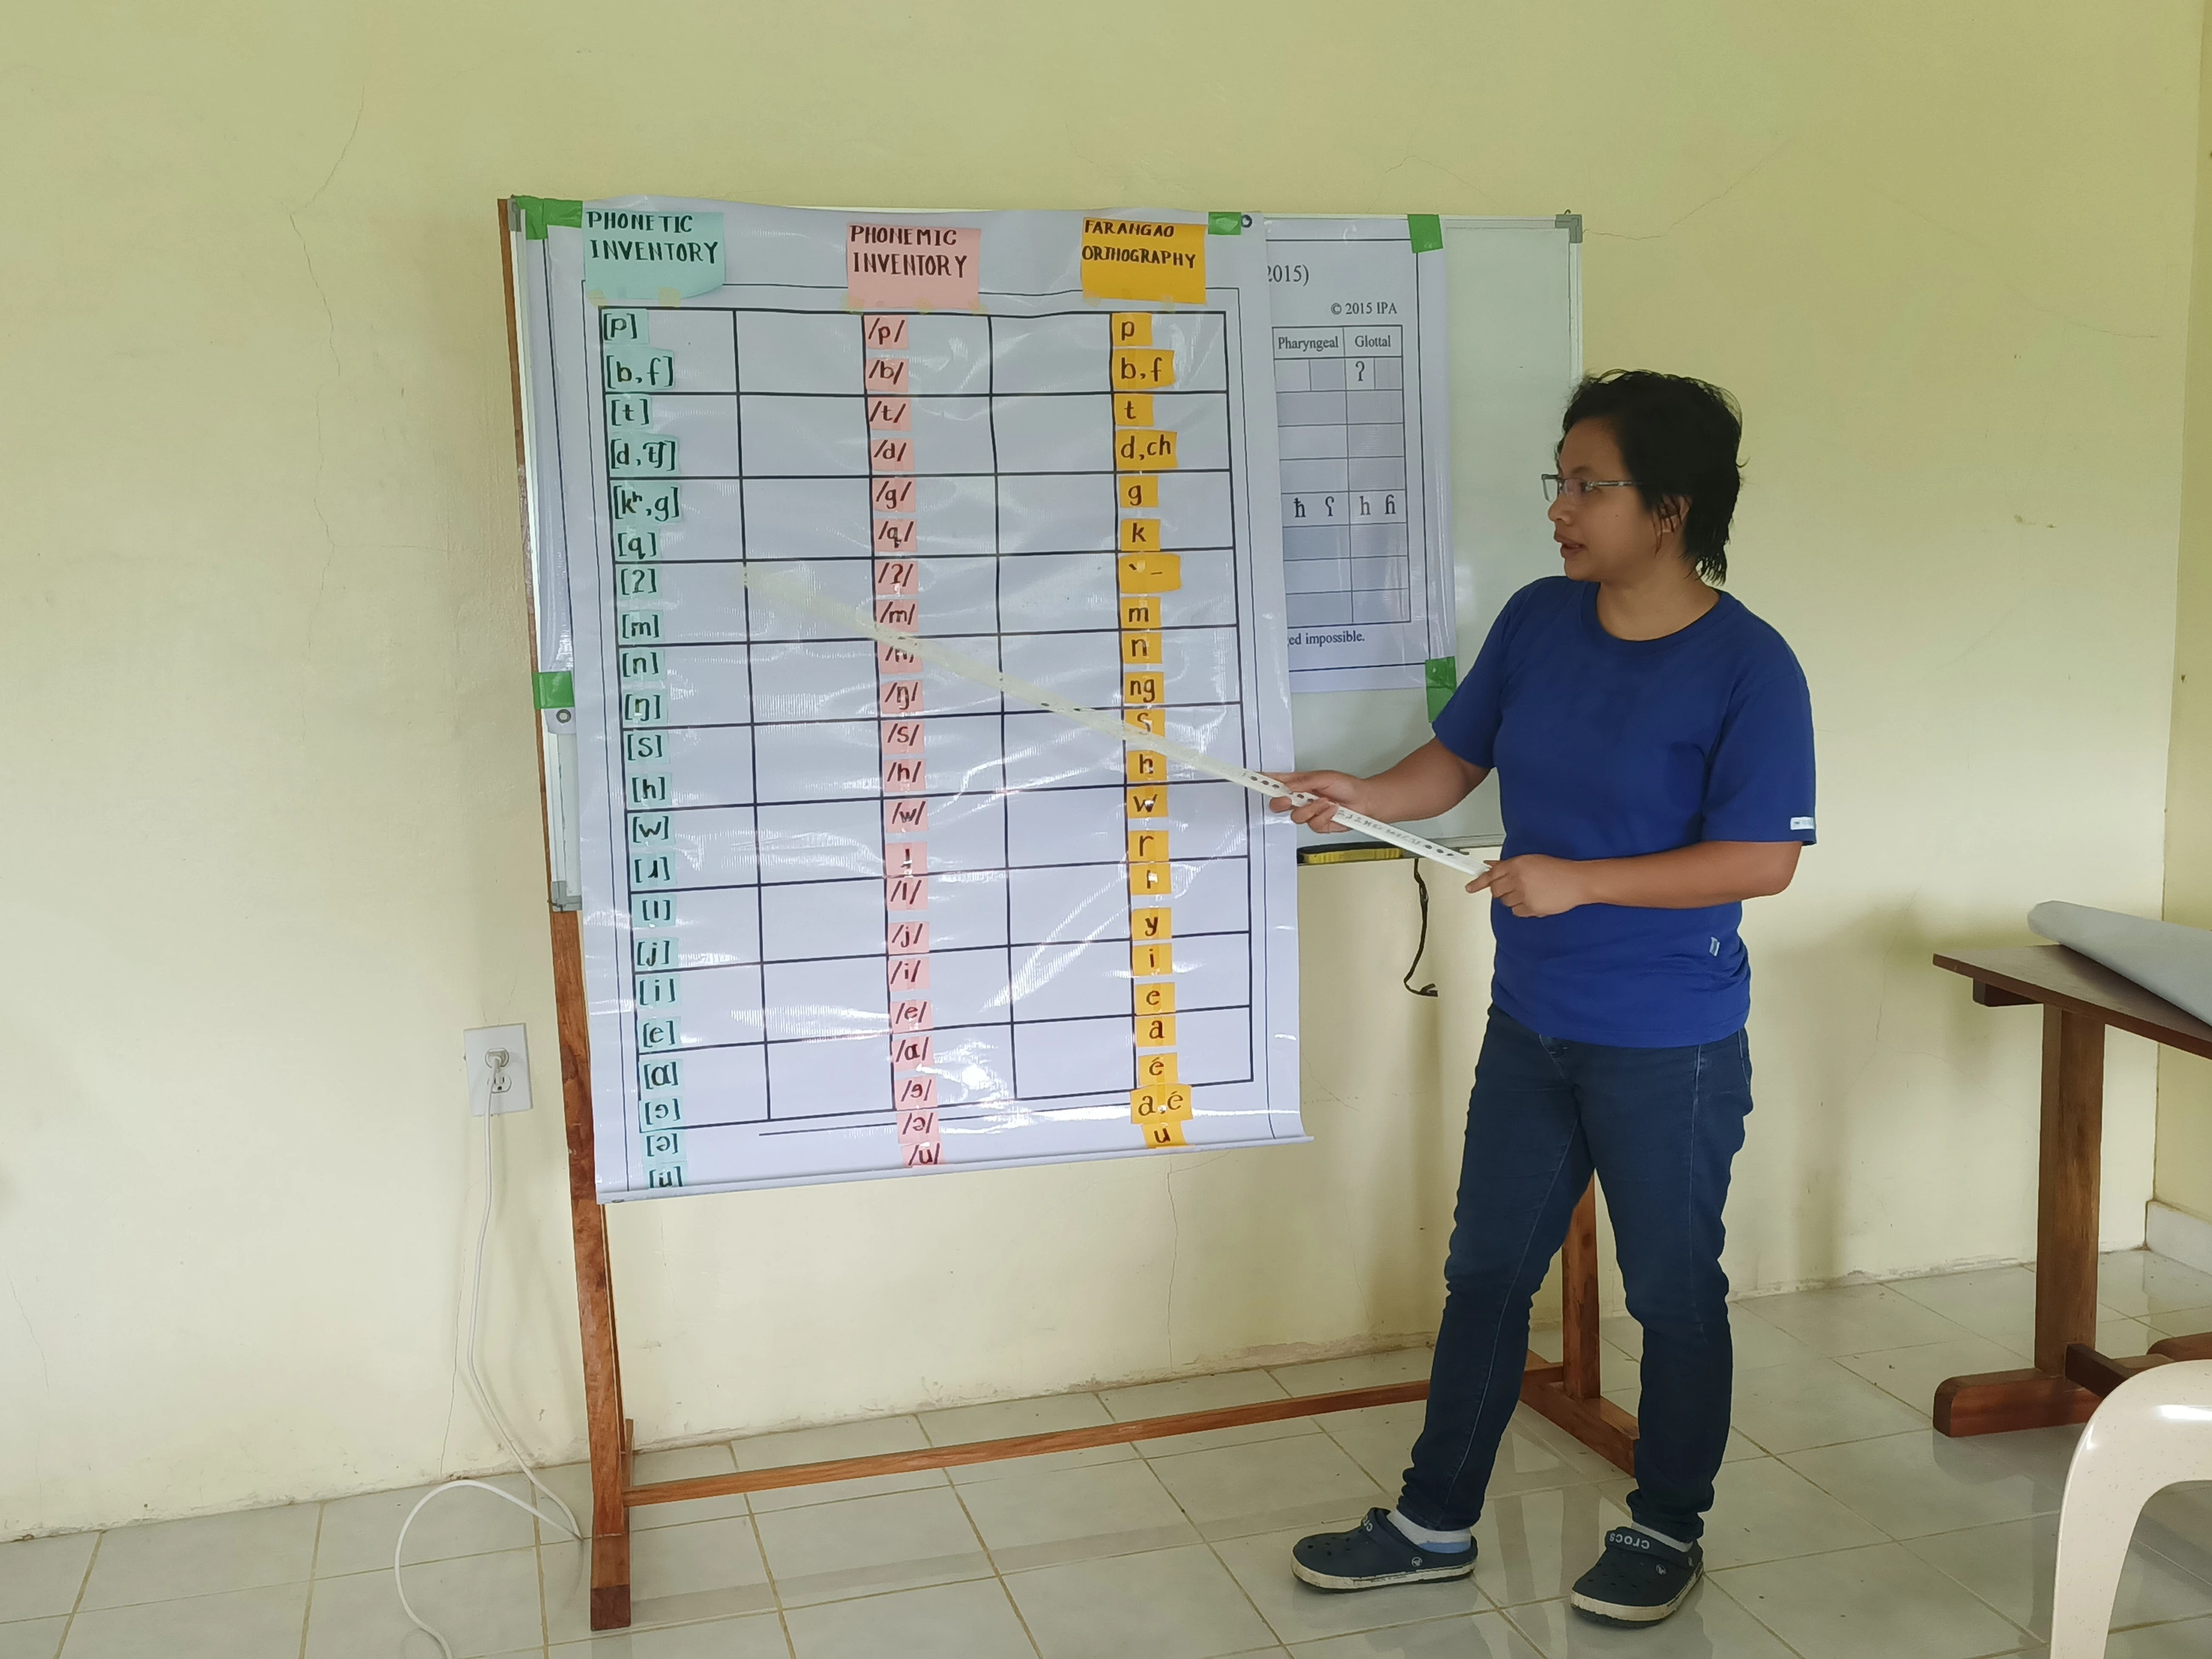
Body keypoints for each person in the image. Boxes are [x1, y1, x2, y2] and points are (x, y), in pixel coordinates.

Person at [1273, 371, 1815, 1627]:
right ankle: (1432, 1520)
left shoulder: (1750, 667)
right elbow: (1455, 760)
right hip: (1533, 1023)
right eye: (1557, 482)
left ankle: (1665, 1524)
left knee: (1671, 1290)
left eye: (1588, 485)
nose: (1559, 509)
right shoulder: (1536, 619)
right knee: (1486, 1271)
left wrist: (1584, 881)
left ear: (1670, 508)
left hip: (1668, 1041)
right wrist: (1361, 794)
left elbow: (1762, 860)